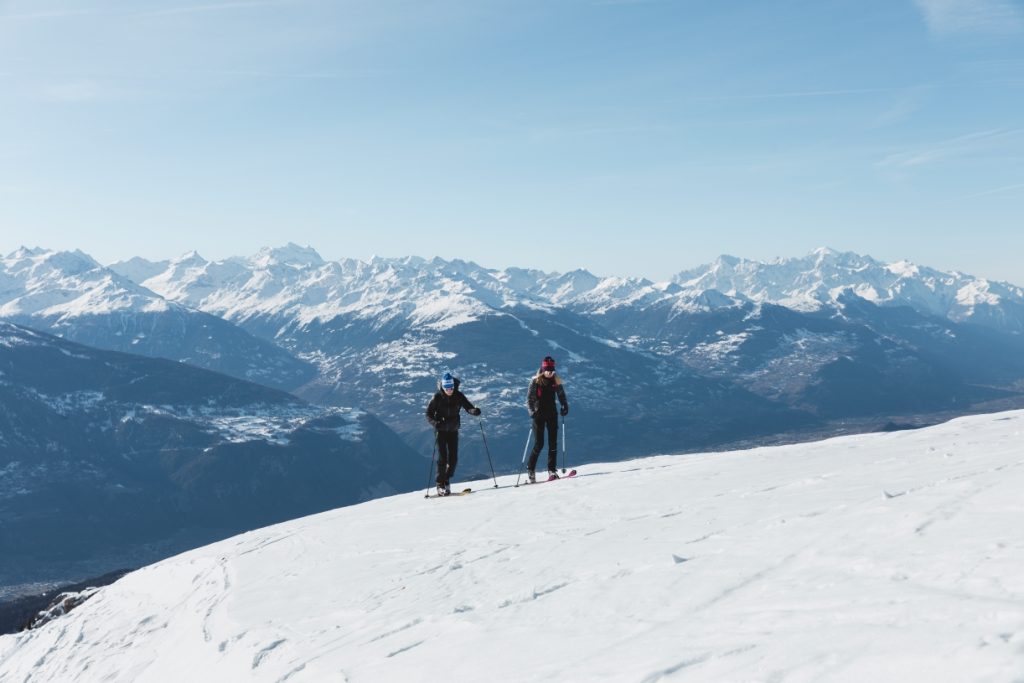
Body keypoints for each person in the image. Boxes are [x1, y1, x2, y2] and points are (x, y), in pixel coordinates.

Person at [426, 372, 481, 496]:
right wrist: (435, 423)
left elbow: (468, 407)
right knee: (442, 458)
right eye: (447, 388)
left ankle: (446, 479)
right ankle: (440, 484)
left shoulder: (458, 395)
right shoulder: (437, 398)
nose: (449, 390)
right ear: (443, 388)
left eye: (451, 388)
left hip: (453, 430)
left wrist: (475, 411)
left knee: (453, 459)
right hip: (440, 431)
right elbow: (428, 414)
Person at [526, 356, 569, 483]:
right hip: (538, 415)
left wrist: (564, 406)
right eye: (548, 370)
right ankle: (530, 469)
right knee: (539, 444)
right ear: (543, 369)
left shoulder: (555, 380)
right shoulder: (535, 381)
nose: (550, 373)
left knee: (553, 443)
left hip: (552, 414)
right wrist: (532, 412)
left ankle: (552, 470)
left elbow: (561, 395)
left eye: (552, 370)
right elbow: (529, 399)